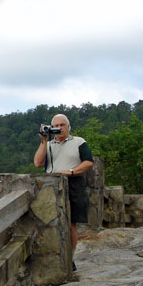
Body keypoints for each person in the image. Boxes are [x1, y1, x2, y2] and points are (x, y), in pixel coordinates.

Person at [33, 114, 94, 270]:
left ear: (68, 126)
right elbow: (38, 163)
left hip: (73, 184)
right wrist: (44, 140)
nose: (59, 128)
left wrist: (71, 172)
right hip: (51, 186)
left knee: (70, 224)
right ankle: (51, 258)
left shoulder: (79, 142)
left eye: (62, 125)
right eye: (56, 126)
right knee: (47, 223)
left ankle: (69, 259)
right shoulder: (49, 145)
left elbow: (88, 162)